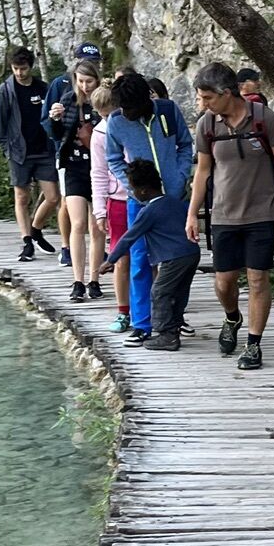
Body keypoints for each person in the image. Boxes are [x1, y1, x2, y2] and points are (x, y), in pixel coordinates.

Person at [185, 60, 274, 373]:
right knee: (224, 282)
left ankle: (253, 343)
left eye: (208, 98)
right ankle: (232, 317)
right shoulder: (207, 126)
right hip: (223, 214)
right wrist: (192, 214)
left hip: (261, 211)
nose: (203, 104)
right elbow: (203, 172)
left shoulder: (264, 119)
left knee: (258, 278)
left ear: (227, 93)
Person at [106, 70, 193, 345]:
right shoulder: (116, 121)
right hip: (140, 202)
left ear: (145, 100)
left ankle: (173, 321)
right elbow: (113, 158)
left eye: (130, 107)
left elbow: (185, 145)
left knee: (179, 258)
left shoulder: (167, 110)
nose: (126, 112)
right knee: (140, 261)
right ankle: (142, 323)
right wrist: (132, 186)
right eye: (122, 107)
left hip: (175, 199)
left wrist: (180, 176)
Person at [104, 159, 198, 350]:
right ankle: (175, 325)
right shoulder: (176, 203)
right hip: (191, 253)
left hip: (174, 258)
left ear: (143, 191)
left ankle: (167, 335)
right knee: (178, 292)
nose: (132, 193)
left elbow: (129, 238)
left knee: (159, 292)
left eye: (133, 189)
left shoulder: (148, 211)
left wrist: (110, 260)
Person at [0, 47, 59, 261]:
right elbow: (0, 125)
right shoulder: (5, 90)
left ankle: (35, 229)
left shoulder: (43, 88)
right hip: (19, 152)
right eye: (15, 69)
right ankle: (27, 241)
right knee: (22, 197)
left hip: (44, 150)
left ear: (30, 67)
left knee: (53, 197)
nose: (19, 73)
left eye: (23, 68)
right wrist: (7, 149)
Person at [54, 58, 107, 302]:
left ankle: (94, 279)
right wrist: (55, 119)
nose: (85, 86)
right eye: (81, 81)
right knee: (77, 223)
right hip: (74, 165)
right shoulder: (68, 100)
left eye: (89, 81)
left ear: (97, 80)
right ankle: (77, 280)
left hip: (98, 168)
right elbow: (58, 136)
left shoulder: (103, 100)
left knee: (96, 226)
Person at [90, 81, 132, 332]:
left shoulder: (132, 125)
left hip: (141, 196)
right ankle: (123, 310)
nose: (107, 120)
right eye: (102, 115)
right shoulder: (100, 133)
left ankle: (154, 308)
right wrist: (99, 210)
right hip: (117, 200)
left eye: (109, 114)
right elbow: (98, 172)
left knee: (149, 257)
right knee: (120, 257)